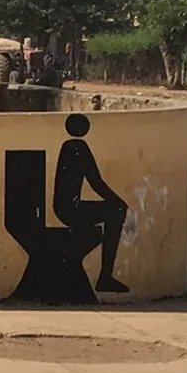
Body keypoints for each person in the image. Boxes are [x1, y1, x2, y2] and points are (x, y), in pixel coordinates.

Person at [52, 113, 129, 293]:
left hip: (66, 206)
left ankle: (105, 276)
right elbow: (96, 182)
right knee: (117, 211)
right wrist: (117, 201)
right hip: (70, 209)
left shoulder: (68, 146)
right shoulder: (79, 148)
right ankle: (105, 276)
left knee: (114, 212)